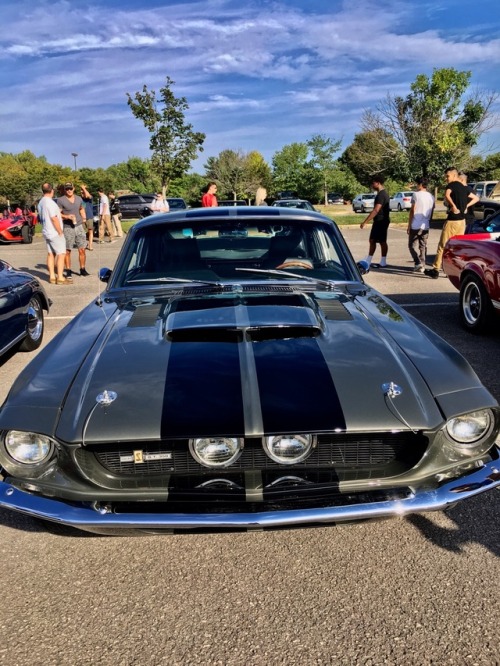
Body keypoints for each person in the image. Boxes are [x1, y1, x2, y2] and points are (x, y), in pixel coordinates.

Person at [424, 167, 479, 279]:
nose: (446, 178)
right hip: (462, 221)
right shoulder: (465, 188)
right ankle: (457, 270)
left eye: (447, 176)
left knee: (443, 245)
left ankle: (435, 270)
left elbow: (447, 195)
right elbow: (476, 198)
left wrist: (453, 206)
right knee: (457, 246)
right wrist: (466, 207)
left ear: (454, 175)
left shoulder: (451, 186)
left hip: (452, 220)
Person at [37, 183, 70, 285]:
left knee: (51, 253)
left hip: (46, 231)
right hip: (54, 232)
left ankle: (52, 276)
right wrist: (60, 231)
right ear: (52, 191)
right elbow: (53, 218)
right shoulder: (50, 203)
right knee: (61, 254)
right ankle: (60, 277)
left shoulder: (41, 202)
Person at [57, 182, 89, 279]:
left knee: (82, 249)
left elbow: (81, 209)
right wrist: (66, 216)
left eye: (70, 188)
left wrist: (84, 218)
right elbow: (58, 214)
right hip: (67, 227)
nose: (69, 190)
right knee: (68, 250)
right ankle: (68, 270)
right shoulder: (60, 200)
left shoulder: (79, 198)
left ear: (74, 188)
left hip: (79, 226)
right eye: (67, 189)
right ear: (64, 190)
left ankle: (82, 269)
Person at [360, 174, 390, 268]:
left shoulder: (381, 195)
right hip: (380, 220)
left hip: (381, 221)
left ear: (378, 183)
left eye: (373, 183)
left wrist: (365, 222)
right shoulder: (382, 194)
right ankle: (371, 260)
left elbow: (376, 210)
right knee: (375, 240)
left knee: (379, 241)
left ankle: (380, 261)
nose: (372, 185)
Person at [407, 177, 434, 272]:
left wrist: (409, 225)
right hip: (425, 224)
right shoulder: (431, 196)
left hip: (415, 223)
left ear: (420, 185)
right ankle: (422, 264)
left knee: (411, 245)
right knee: (423, 246)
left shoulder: (415, 195)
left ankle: (417, 262)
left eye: (417, 184)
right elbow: (432, 211)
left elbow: (412, 210)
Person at [80, 184, 94, 251]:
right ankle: (84, 244)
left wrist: (84, 188)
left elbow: (88, 195)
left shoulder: (89, 199)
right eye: (81, 192)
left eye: (83, 192)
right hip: (82, 218)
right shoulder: (80, 200)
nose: (82, 193)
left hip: (89, 217)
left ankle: (90, 245)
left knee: (90, 231)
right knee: (82, 232)